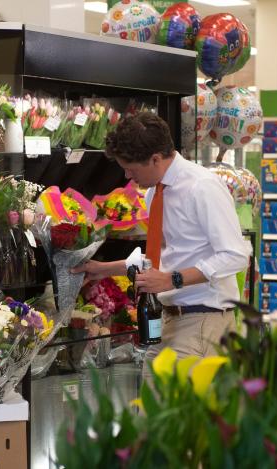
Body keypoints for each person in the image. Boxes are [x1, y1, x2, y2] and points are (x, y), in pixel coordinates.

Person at [72, 112, 250, 377]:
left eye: (131, 168)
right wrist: (105, 268)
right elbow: (166, 258)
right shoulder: (157, 191)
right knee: (151, 412)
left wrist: (172, 280)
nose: (127, 175)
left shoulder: (202, 187)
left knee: (173, 414)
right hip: (171, 321)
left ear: (155, 158)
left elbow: (235, 255)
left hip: (202, 322)